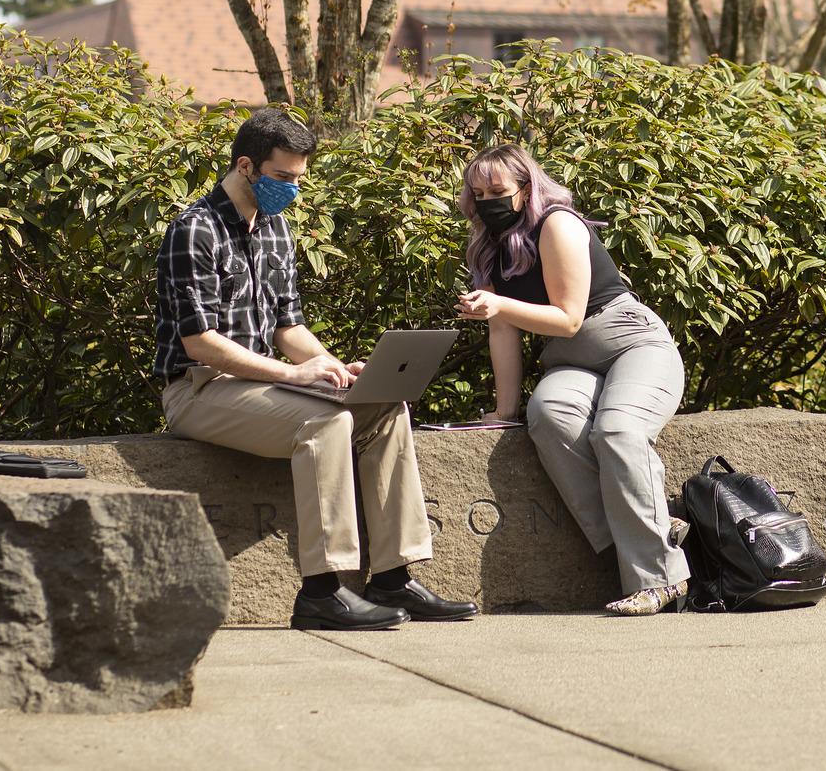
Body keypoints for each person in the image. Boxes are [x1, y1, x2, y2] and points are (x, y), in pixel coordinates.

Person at [154, 108, 476, 630]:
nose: (292, 190)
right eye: (282, 178)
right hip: (197, 390)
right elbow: (201, 344)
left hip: (254, 385)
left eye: (299, 179)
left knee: (383, 408)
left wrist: (329, 366)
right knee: (328, 422)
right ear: (246, 167)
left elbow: (287, 328)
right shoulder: (196, 230)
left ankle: (394, 577)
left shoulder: (276, 229)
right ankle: (322, 594)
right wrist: (292, 376)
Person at [455, 143, 691, 615]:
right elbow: (503, 328)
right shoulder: (488, 244)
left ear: (526, 189)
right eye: (478, 192)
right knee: (548, 417)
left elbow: (567, 317)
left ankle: (661, 580)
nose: (487, 201)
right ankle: (652, 525)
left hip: (631, 342)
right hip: (571, 362)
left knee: (619, 429)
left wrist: (499, 305)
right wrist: (505, 412)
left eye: (497, 190)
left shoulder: (558, 223)